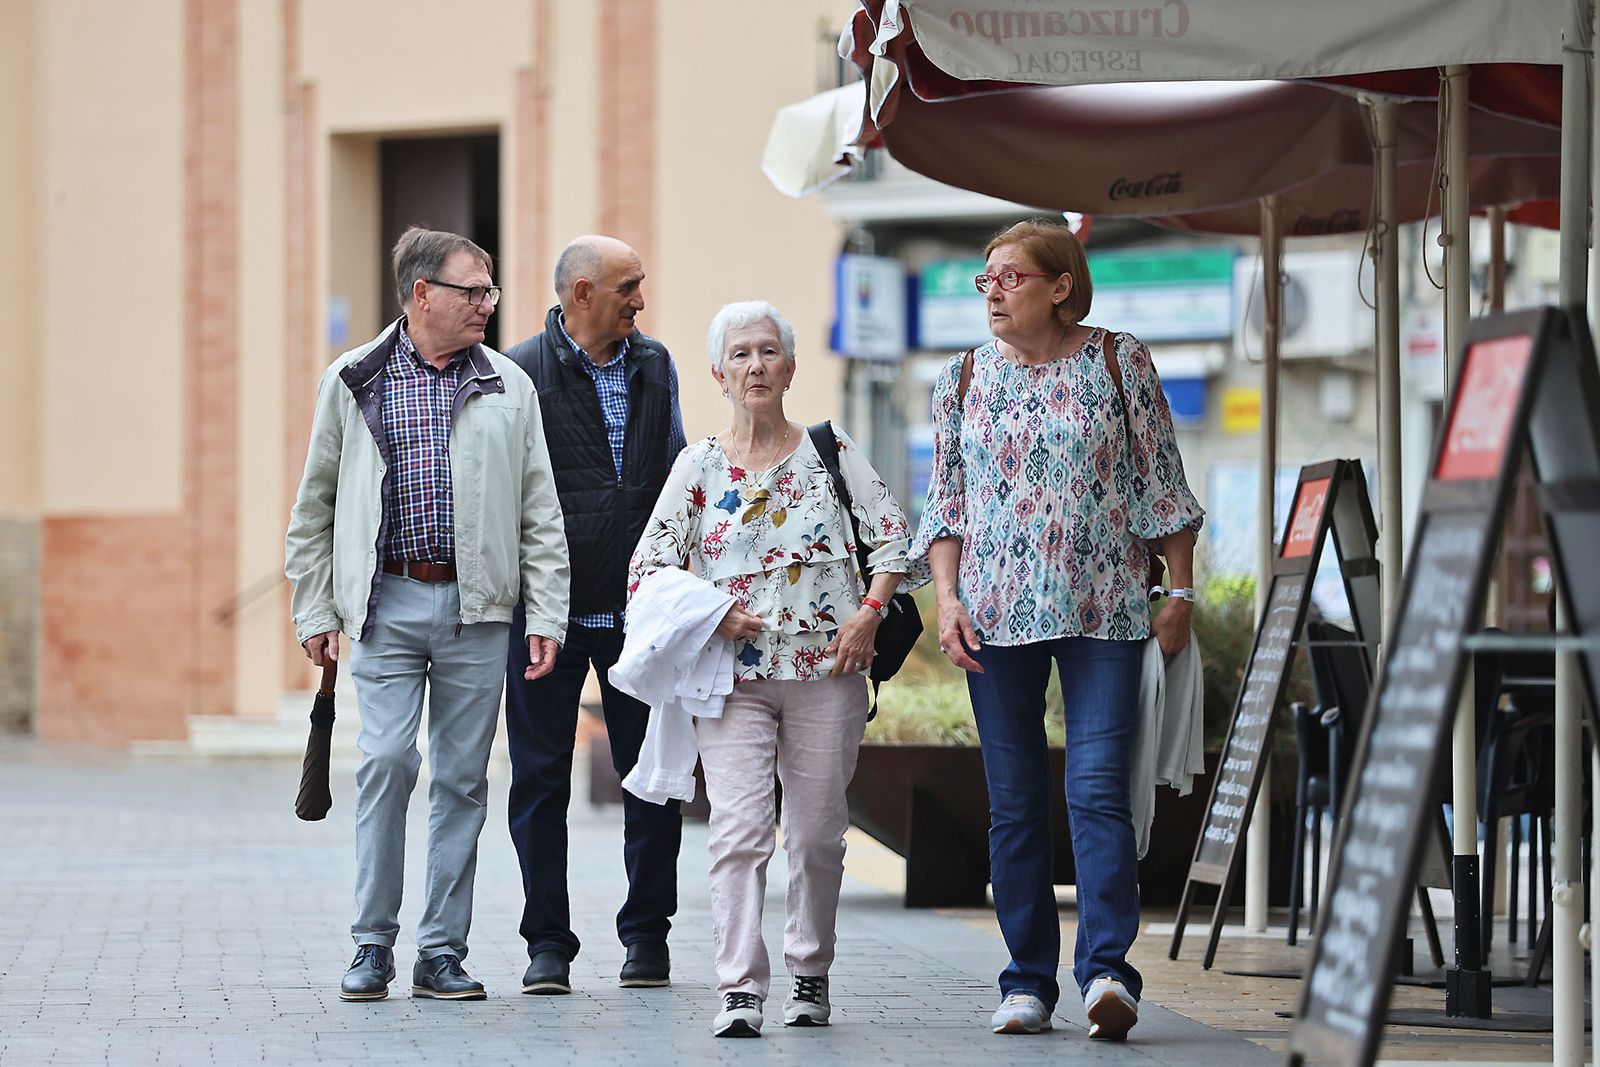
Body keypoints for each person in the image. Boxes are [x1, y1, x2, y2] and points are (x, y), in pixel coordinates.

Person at [911, 219, 1204, 1041]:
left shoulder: (1119, 360)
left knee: (1098, 791)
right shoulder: (962, 377)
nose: (994, 292)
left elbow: (1164, 486)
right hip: (993, 617)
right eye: (986, 280)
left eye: (1010, 277)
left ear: (1060, 285)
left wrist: (1180, 592)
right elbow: (947, 504)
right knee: (1013, 804)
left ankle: (1107, 971)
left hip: (1104, 608)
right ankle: (1026, 983)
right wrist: (947, 596)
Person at [285, 227, 570, 1002]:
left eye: (490, 292)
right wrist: (315, 604)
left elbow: (539, 510)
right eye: (472, 291)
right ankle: (371, 944)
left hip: (480, 612)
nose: (487, 304)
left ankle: (440, 950)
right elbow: (315, 503)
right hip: (385, 603)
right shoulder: (354, 378)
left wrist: (546, 611)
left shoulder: (510, 384)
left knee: (462, 779)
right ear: (422, 295)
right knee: (385, 763)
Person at [627, 300, 917, 1038]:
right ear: (718, 372)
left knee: (816, 833)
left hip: (830, 671)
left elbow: (893, 542)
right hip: (732, 680)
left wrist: (869, 613)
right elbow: (648, 568)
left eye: (768, 352)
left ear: (789, 366)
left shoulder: (830, 448)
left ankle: (810, 968)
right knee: (738, 830)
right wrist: (711, 612)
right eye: (741, 354)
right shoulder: (697, 465)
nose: (755, 365)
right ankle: (739, 986)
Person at [501, 236, 689, 995]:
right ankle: (547, 943)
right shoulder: (519, 372)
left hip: (640, 607)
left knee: (652, 773)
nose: (640, 300)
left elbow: (675, 472)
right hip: (545, 611)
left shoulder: (655, 362)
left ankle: (647, 935)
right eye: (627, 287)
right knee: (540, 777)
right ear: (581, 293)